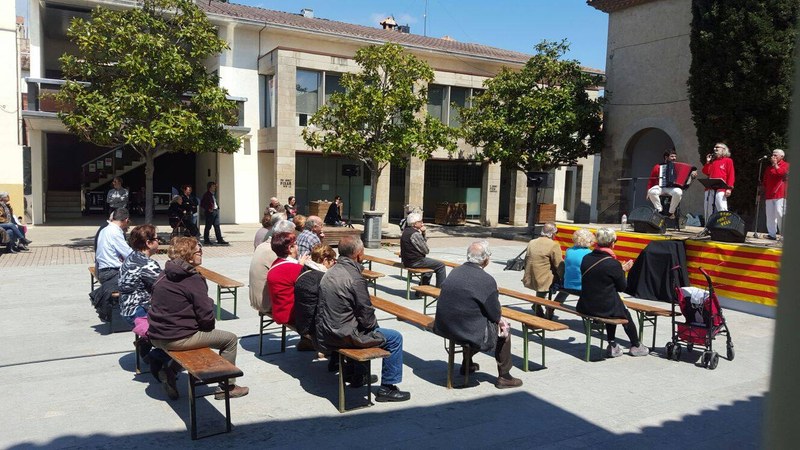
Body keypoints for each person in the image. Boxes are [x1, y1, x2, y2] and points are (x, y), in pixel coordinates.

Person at [148, 236, 249, 399]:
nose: (201, 252)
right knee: (229, 339)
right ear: (188, 256)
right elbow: (206, 317)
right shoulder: (193, 279)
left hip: (156, 335)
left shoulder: (164, 273)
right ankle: (227, 387)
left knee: (198, 338)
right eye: (198, 251)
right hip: (175, 337)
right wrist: (206, 316)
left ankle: (170, 372)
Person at [316, 236, 410, 401]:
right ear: (359, 254)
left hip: (327, 332)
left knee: (366, 328)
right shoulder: (355, 278)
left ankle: (358, 374)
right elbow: (366, 316)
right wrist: (375, 328)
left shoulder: (330, 272)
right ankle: (388, 388)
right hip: (344, 335)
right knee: (394, 338)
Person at [433, 240, 523, 389]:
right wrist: (501, 321)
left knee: (472, 319)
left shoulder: (455, 271)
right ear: (486, 259)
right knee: (504, 329)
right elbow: (495, 314)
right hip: (464, 329)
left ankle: (467, 364)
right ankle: (505, 376)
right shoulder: (486, 280)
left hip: (445, 325)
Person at [117, 224, 176, 397]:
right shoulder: (147, 264)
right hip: (139, 314)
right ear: (149, 243)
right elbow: (167, 287)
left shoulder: (132, 257)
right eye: (157, 239)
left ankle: (146, 344)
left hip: (126, 308)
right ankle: (159, 358)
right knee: (179, 332)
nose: (160, 242)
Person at [577, 228, 648, 357]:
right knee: (623, 312)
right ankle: (636, 345)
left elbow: (599, 277)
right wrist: (622, 271)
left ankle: (612, 344)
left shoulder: (586, 258)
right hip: (604, 307)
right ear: (612, 243)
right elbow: (622, 287)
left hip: (586, 304)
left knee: (615, 304)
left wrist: (619, 270)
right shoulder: (612, 263)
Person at [90, 208, 133, 322]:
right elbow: (128, 254)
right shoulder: (115, 232)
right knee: (141, 280)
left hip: (103, 270)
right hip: (111, 272)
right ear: (126, 220)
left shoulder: (105, 229)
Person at [294, 244, 337, 350]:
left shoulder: (304, 271)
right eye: (333, 260)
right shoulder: (323, 278)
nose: (334, 263)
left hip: (301, 323)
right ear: (325, 260)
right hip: (313, 327)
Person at [249, 220, 296, 314]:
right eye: (293, 235)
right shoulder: (274, 251)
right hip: (266, 303)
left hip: (255, 299)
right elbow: (292, 277)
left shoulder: (262, 245)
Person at [522, 222, 564, 317]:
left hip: (531, 275)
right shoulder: (553, 245)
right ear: (552, 233)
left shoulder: (532, 242)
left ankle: (538, 305)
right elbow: (559, 265)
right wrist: (563, 276)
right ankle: (544, 307)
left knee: (543, 283)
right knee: (565, 286)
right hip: (544, 279)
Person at [646, 148, 697, 219]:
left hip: (672, 188)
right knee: (652, 192)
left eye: (675, 156)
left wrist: (693, 172)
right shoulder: (658, 166)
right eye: (672, 156)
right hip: (660, 187)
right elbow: (651, 180)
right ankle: (659, 210)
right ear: (666, 157)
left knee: (678, 192)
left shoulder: (677, 166)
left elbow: (690, 172)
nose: (674, 158)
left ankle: (671, 212)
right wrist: (648, 191)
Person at [400, 212, 446, 290]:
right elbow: (426, 250)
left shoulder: (405, 231)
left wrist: (422, 233)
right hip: (415, 262)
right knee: (441, 265)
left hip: (407, 261)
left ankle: (421, 291)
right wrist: (424, 233)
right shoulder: (415, 234)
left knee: (428, 270)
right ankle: (440, 290)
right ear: (415, 224)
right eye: (420, 221)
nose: (422, 223)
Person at [553, 228, 596, 306]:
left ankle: (552, 307)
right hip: (581, 287)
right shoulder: (590, 253)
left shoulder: (569, 251)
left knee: (568, 283)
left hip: (567, 284)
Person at [702, 143, 735, 222]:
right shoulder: (713, 161)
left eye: (717, 147)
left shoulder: (728, 160)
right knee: (707, 208)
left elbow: (731, 175)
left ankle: (725, 225)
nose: (715, 149)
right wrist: (708, 162)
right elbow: (706, 172)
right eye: (714, 147)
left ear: (723, 149)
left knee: (722, 207)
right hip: (709, 188)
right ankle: (708, 226)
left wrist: (729, 188)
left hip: (721, 188)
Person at [763, 149, 789, 240]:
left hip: (780, 194)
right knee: (770, 215)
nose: (773, 157)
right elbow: (765, 180)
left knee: (780, 213)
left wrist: (775, 165)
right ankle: (772, 234)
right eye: (773, 155)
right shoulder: (768, 168)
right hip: (769, 194)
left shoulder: (786, 165)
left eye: (775, 155)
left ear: (782, 156)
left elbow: (781, 173)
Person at [200, 181, 229, 246]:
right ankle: (206, 240)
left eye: (215, 186)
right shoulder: (207, 194)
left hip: (215, 211)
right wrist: (208, 208)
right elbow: (202, 204)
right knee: (208, 227)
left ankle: (220, 240)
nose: (215, 187)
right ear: (209, 187)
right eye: (213, 186)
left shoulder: (213, 194)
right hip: (210, 213)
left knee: (217, 226)